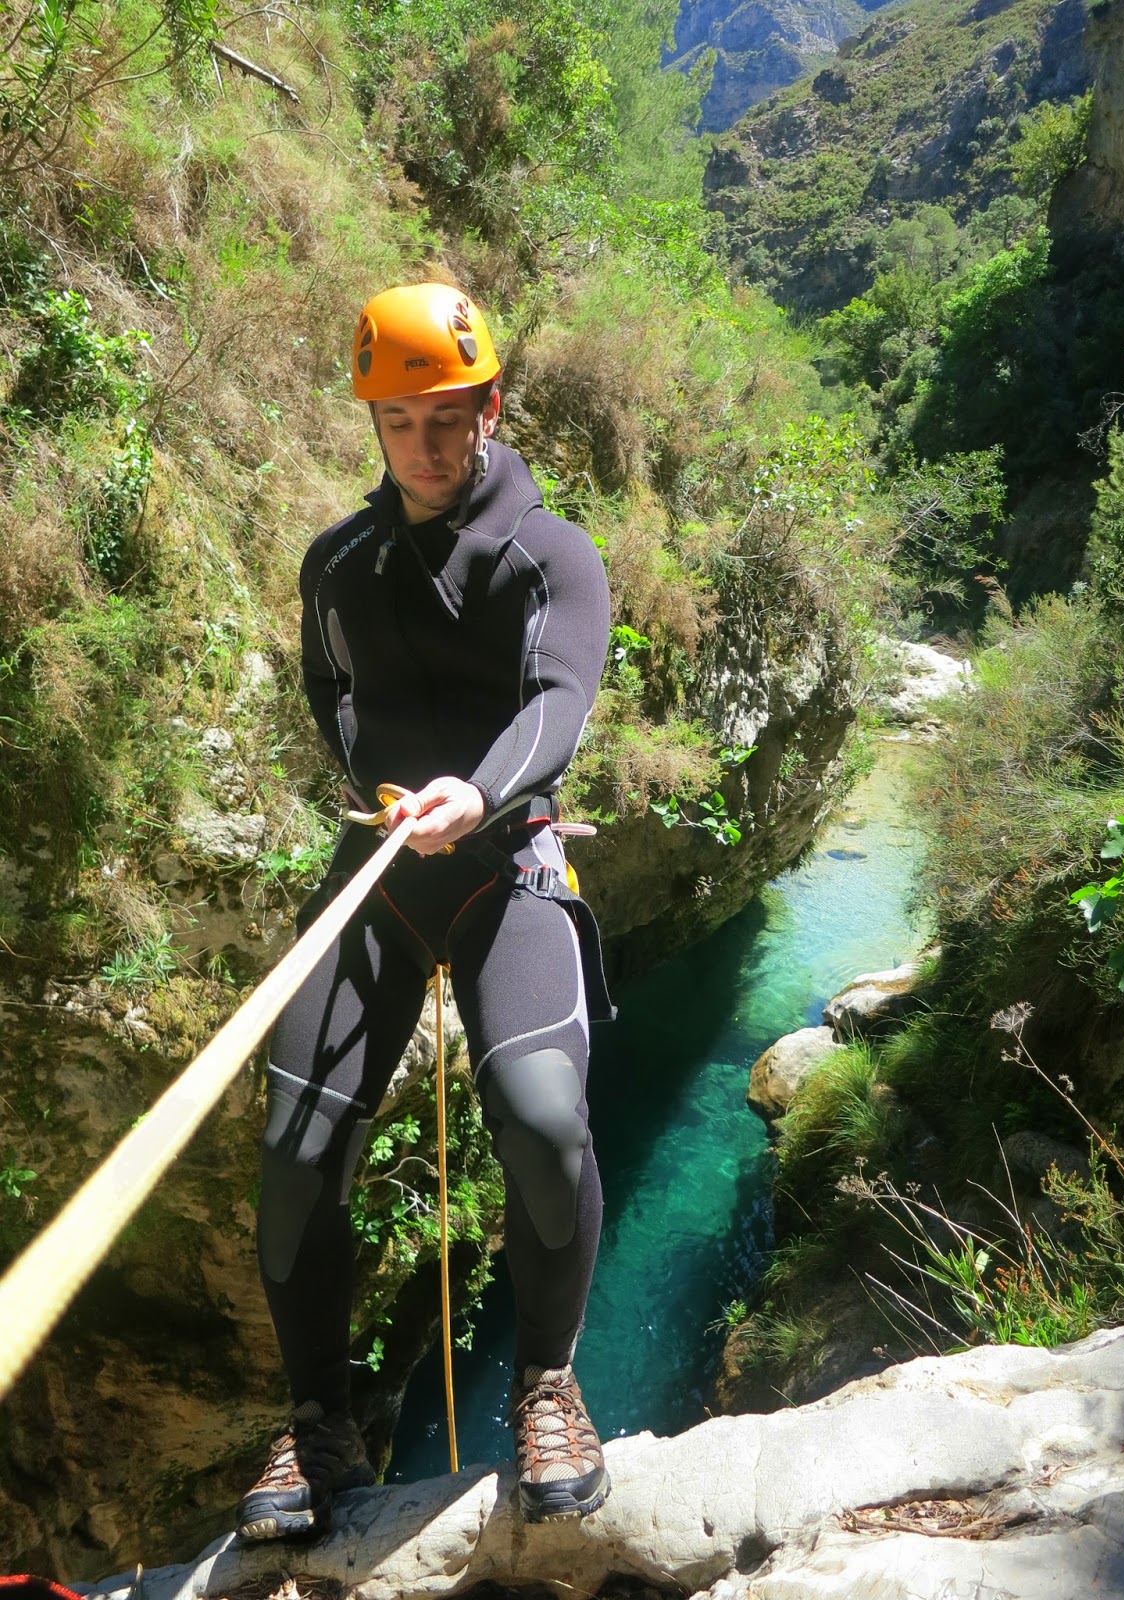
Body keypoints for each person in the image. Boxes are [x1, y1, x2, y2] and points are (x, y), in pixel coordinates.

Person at [236, 282, 615, 1542]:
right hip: (382, 869)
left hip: (507, 863)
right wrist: (384, 792)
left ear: (490, 408)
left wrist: (482, 791)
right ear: (374, 425)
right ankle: (319, 1425)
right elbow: (328, 688)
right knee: (294, 1153)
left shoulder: (550, 554)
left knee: (544, 1121)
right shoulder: (337, 564)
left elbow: (559, 700)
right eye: (399, 422)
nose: (425, 445)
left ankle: (548, 1382)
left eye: (447, 417)